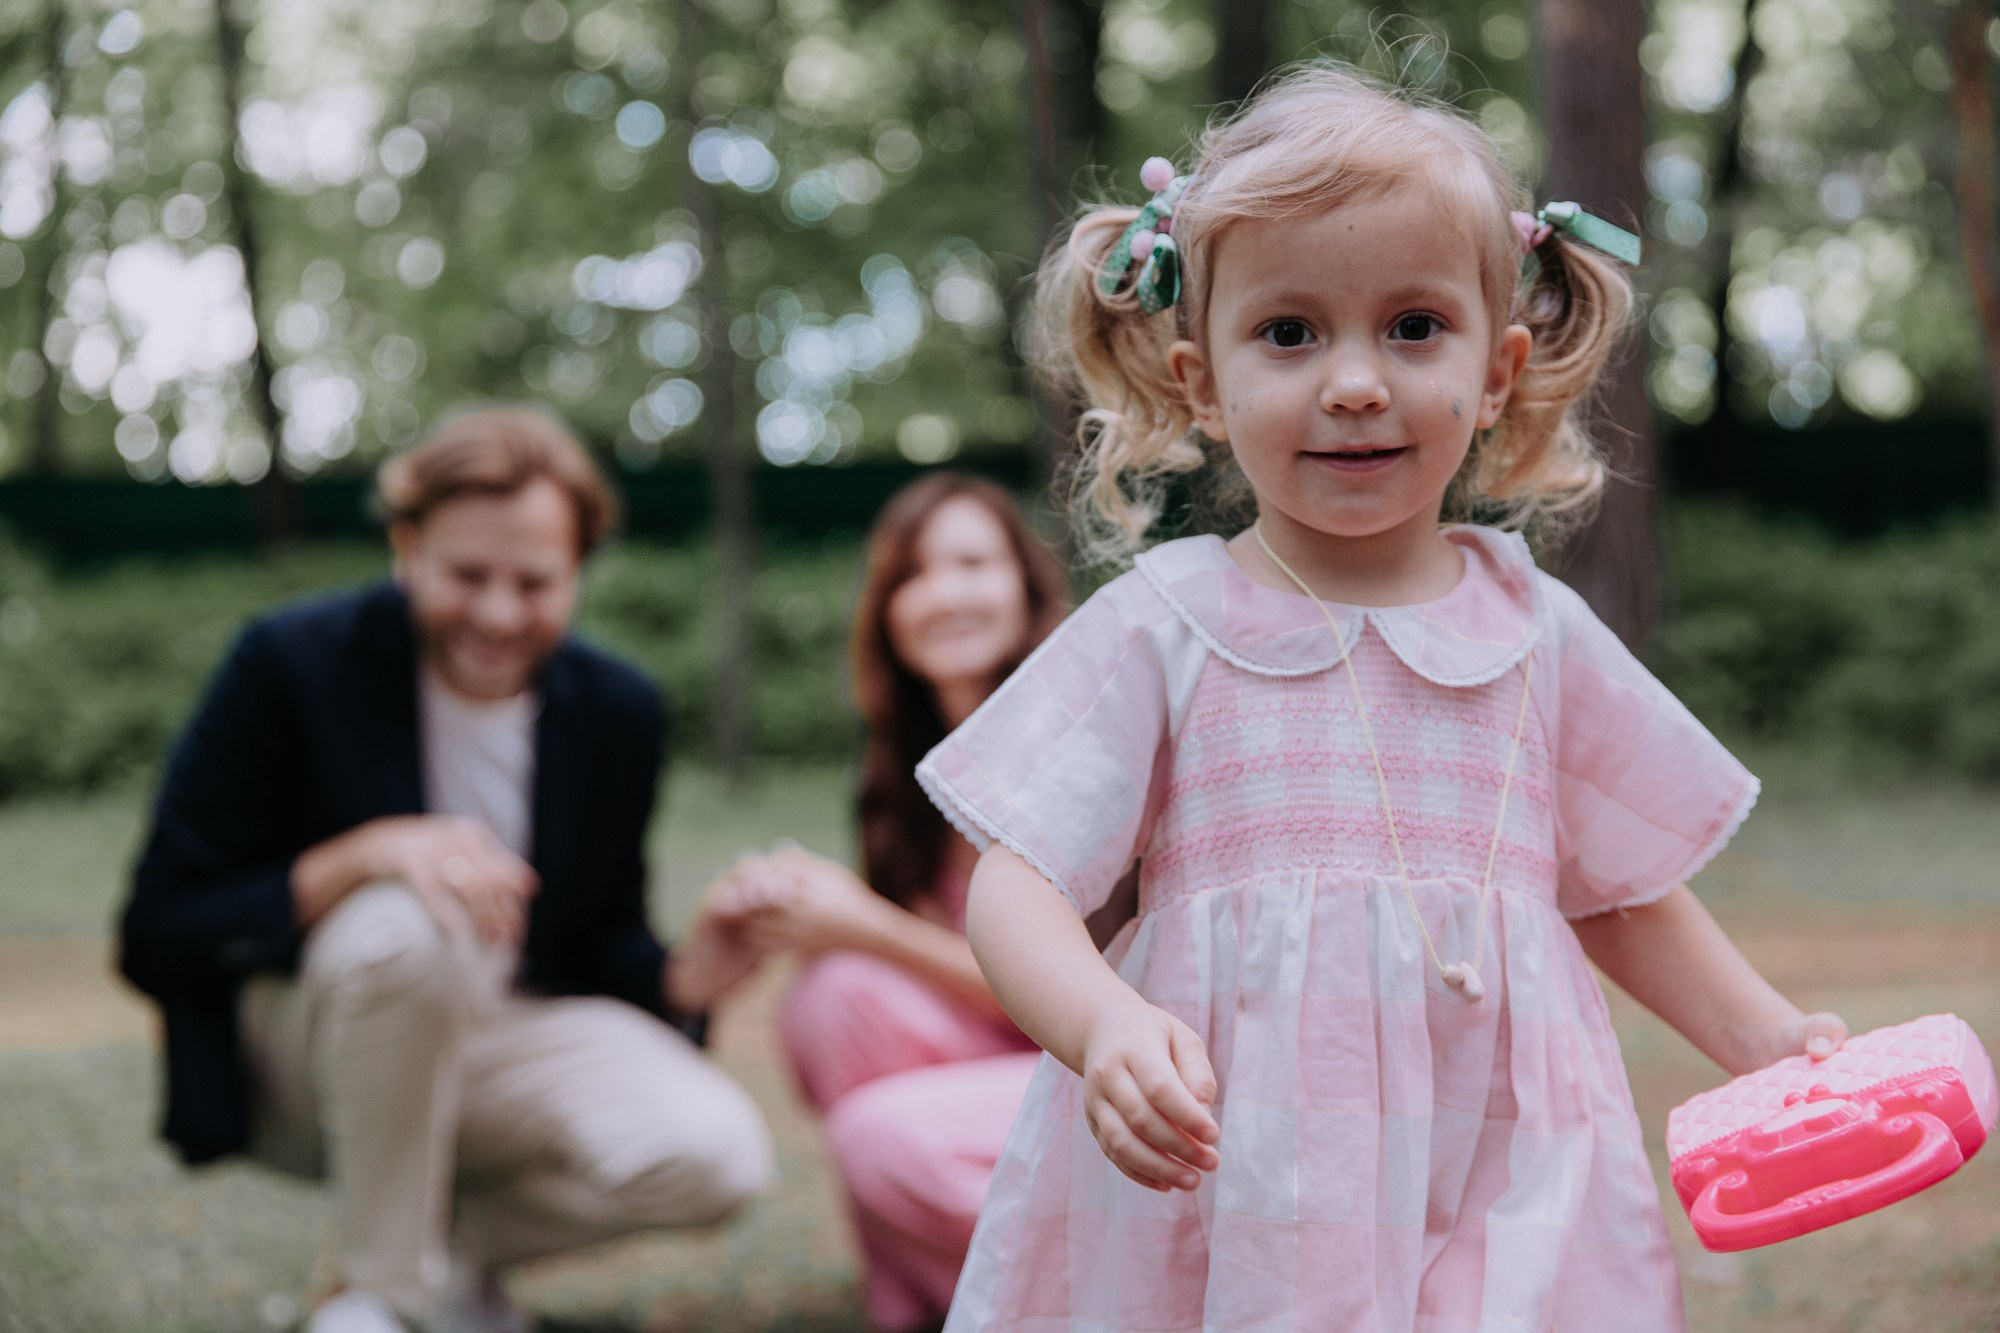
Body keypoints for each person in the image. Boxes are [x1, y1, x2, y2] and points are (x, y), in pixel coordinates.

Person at [913, 66, 1850, 1331]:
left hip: (1502, 1159)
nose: (1354, 382)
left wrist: (1765, 1038)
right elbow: (1017, 880)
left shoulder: (1538, 632)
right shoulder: (1166, 622)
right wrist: (1102, 1026)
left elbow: (1622, 893)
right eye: (1289, 333)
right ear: (1200, 381)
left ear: (1498, 363)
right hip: (1240, 1168)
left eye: (1412, 326)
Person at [118, 408, 774, 1333]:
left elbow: (591, 938)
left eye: (535, 582)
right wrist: (367, 855)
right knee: (415, 923)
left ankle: (441, 1267)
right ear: (406, 547)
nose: (500, 613)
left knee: (720, 1153)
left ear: (578, 569)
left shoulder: (616, 709)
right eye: (468, 575)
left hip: (494, 1043)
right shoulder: (288, 665)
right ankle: (382, 1295)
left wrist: (682, 976)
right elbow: (157, 932)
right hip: (307, 1055)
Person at [715, 474, 1069, 1332]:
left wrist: (865, 924)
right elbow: (894, 956)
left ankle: (1080, 1299)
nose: (943, 593)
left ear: (1026, 588)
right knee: (831, 998)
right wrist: (782, 913)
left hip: (1106, 1069)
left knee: (877, 1133)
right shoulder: (904, 771)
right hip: (1008, 1061)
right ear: (887, 609)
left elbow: (1072, 999)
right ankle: (926, 1297)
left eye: (973, 563)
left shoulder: (1078, 743)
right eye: (913, 572)